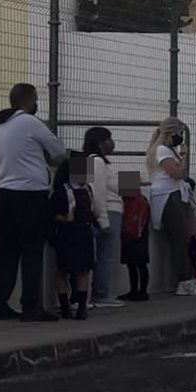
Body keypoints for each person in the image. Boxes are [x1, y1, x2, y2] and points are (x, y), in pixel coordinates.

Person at [0, 83, 67, 322]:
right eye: (35, 99)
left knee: (5, 251)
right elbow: (59, 151)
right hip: (31, 195)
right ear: (28, 100)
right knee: (32, 251)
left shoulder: (0, 124)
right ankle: (30, 306)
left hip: (4, 192)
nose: (37, 104)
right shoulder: (31, 122)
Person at [147, 118, 196, 296]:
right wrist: (185, 156)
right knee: (180, 240)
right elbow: (177, 173)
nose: (180, 136)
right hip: (169, 197)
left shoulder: (165, 150)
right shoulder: (163, 150)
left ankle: (185, 278)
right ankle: (184, 280)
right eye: (179, 133)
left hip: (174, 194)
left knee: (180, 239)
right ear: (172, 133)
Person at [50, 154, 100, 320]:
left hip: (80, 233)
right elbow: (53, 214)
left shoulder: (85, 190)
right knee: (66, 271)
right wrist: (64, 218)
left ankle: (79, 307)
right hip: (69, 233)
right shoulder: (64, 191)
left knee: (79, 271)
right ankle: (67, 307)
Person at [84, 127, 125, 308]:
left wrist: (142, 178)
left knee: (103, 254)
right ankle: (101, 294)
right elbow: (97, 192)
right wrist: (103, 219)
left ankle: (101, 293)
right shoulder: (97, 163)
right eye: (110, 139)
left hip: (107, 211)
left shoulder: (97, 163)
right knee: (105, 255)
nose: (113, 142)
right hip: (108, 212)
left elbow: (118, 185)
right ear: (101, 143)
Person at [117, 171, 150, 302]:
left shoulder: (137, 201)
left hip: (135, 236)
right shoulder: (136, 200)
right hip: (132, 236)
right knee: (133, 265)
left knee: (138, 264)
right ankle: (135, 290)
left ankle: (141, 291)